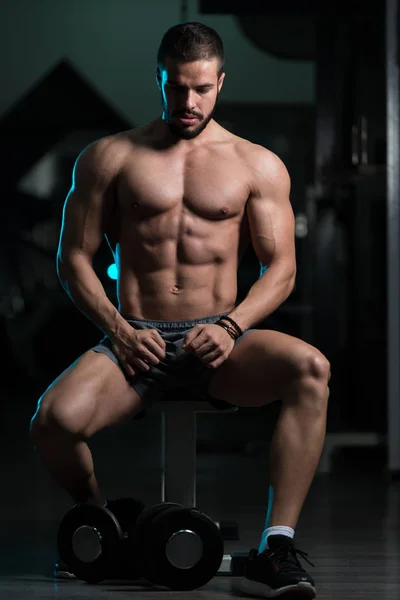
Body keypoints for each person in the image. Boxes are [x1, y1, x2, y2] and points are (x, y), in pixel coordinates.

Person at [29, 21, 330, 599]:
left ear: (221, 83)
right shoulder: (110, 156)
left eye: (200, 89)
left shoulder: (256, 164)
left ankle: (275, 548)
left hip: (220, 341)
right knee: (52, 423)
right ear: (159, 81)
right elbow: (72, 261)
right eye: (174, 88)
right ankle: (106, 527)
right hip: (133, 338)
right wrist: (117, 331)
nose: (187, 102)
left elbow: (282, 270)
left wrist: (231, 325)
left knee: (311, 371)